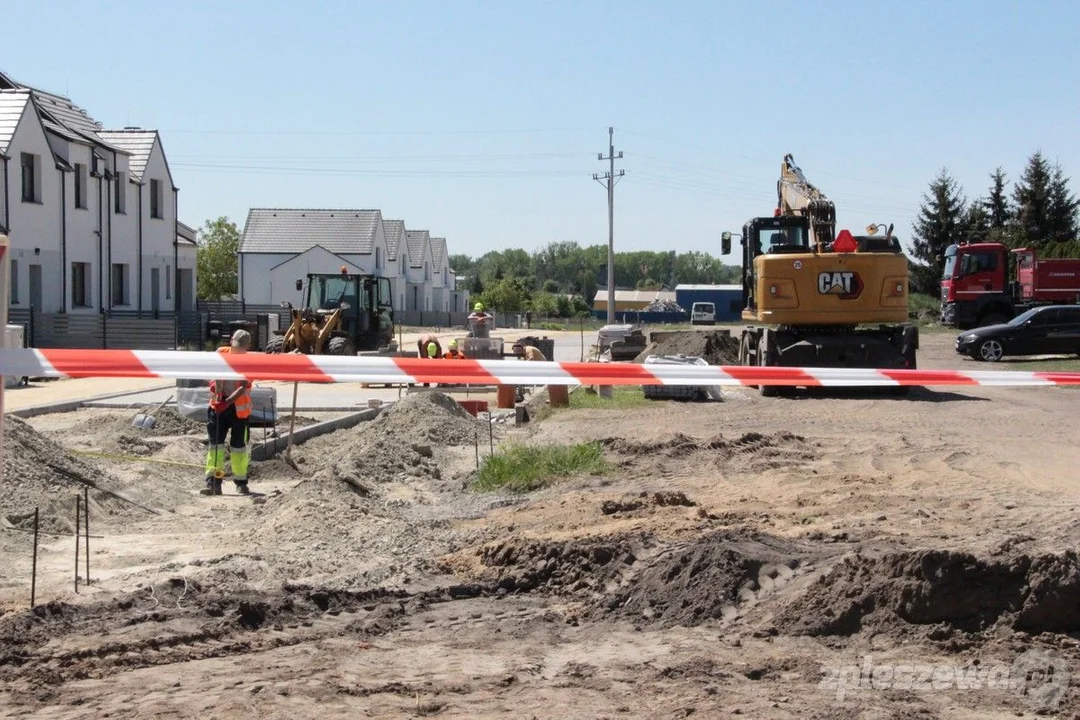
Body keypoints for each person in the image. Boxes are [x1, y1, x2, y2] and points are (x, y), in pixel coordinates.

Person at [203, 329, 253, 496]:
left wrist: (226, 402)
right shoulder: (221, 353)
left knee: (238, 447)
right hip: (219, 406)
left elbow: (243, 387)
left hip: (238, 410)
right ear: (231, 341)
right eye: (235, 346)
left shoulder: (250, 361)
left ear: (247, 347)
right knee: (215, 445)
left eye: (241, 348)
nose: (237, 351)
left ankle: (240, 482)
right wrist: (216, 392)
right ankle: (213, 482)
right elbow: (213, 375)